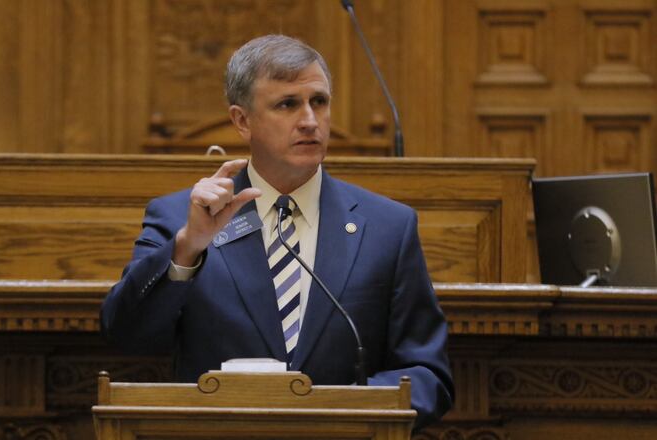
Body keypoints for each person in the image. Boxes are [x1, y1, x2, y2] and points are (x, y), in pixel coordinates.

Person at [101, 34, 453, 430]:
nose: (309, 120)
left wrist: (348, 414)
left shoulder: (389, 227)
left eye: (318, 102)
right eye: (287, 104)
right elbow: (126, 334)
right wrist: (188, 248)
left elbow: (427, 372)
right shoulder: (179, 219)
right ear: (241, 120)